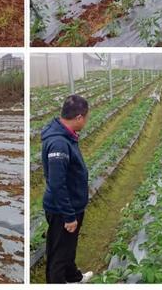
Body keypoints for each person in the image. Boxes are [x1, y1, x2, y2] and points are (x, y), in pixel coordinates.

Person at [41, 95, 93, 284]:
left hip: (72, 205)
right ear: (79, 117)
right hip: (63, 210)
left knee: (68, 248)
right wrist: (69, 215)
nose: (86, 122)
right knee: (58, 257)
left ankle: (73, 278)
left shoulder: (65, 136)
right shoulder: (59, 143)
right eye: (86, 118)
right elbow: (56, 183)